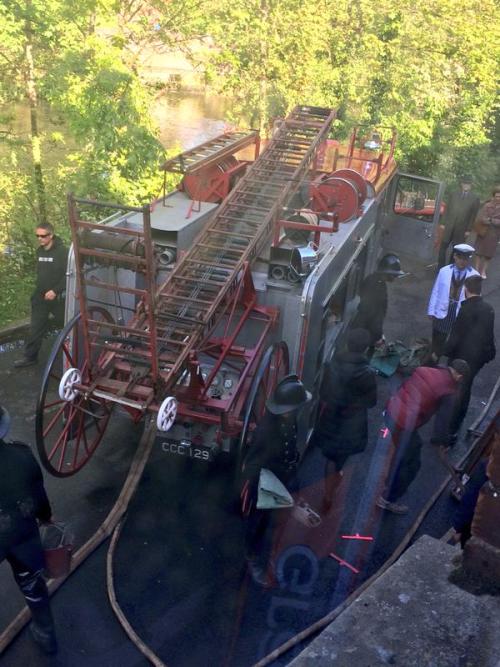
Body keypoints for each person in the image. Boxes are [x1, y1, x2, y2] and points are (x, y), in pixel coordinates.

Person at [240, 374, 312, 585]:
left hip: (282, 476)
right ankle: (253, 558)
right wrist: (269, 490)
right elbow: (253, 466)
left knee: (270, 520)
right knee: (258, 523)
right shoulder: (266, 432)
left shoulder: (288, 421)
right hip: (264, 483)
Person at [376, 359, 469, 515]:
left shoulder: (425, 370)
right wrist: (441, 442)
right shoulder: (449, 392)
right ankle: (387, 499)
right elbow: (442, 422)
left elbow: (404, 386)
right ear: (459, 376)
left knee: (402, 452)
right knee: (411, 464)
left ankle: (390, 480)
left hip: (392, 410)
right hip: (404, 424)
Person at [0, 404, 57, 654]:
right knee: (32, 585)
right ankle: (46, 634)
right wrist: (45, 517)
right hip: (23, 536)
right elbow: (38, 495)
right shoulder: (22, 456)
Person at [310, 328, 377, 511]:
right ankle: (334, 482)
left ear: (347, 344)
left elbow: (323, 393)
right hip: (352, 423)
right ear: (364, 349)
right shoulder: (368, 373)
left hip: (332, 416)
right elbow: (372, 402)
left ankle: (328, 493)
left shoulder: (333, 365)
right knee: (340, 457)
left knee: (330, 457)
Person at [444, 275, 495, 435]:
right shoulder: (488, 309)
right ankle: (458, 420)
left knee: (457, 389)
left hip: (462, 357)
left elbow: (456, 336)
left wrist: (446, 352)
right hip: (478, 358)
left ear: (466, 290)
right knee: (467, 388)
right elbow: (489, 335)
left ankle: (450, 424)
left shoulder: (465, 310)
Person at [14, 222, 68, 368]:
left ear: (51, 235)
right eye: (37, 235)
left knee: (68, 324)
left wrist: (55, 291)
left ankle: (75, 352)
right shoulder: (40, 251)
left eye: (43, 236)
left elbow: (68, 275)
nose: (40, 238)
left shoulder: (63, 252)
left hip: (58, 298)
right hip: (41, 297)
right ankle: (30, 357)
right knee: (36, 327)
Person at [427, 243, 479, 360]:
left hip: (461, 312)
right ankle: (433, 361)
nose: (462, 261)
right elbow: (436, 291)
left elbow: (476, 299)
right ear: (454, 256)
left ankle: (450, 366)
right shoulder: (444, 271)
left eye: (465, 259)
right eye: (460, 257)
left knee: (456, 342)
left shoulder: (475, 276)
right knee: (438, 338)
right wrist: (431, 310)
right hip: (443, 309)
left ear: (468, 259)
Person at [350, 253, 404, 350]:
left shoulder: (372, 280)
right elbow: (376, 317)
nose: (395, 278)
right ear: (387, 273)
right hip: (365, 331)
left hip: (361, 327)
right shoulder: (377, 288)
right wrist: (378, 337)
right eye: (394, 275)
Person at [438, 175, 480, 269]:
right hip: (448, 226)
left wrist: (468, 229)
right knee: (443, 247)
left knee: (456, 250)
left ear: (471, 185)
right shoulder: (454, 194)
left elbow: (473, 216)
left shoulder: (475, 198)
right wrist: (443, 223)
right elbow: (447, 209)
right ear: (461, 184)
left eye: (468, 184)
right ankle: (440, 267)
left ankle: (450, 268)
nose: (466, 185)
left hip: (461, 229)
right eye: (464, 183)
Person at [473, 185, 500, 279]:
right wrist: (485, 220)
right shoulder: (487, 205)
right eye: (497, 196)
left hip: (494, 234)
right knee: (479, 252)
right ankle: (476, 270)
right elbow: (481, 216)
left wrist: (493, 221)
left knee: (489, 254)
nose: (498, 198)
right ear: (493, 196)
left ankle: (483, 271)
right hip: (483, 231)